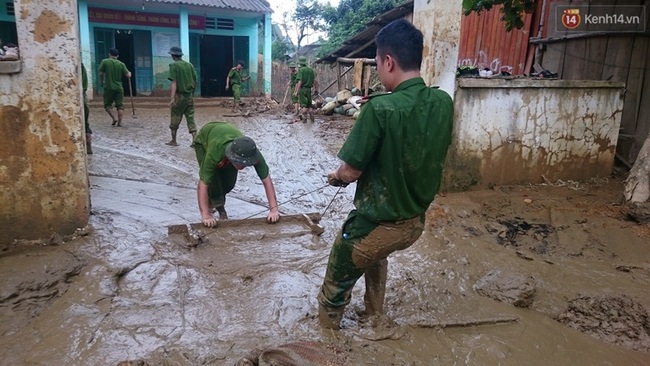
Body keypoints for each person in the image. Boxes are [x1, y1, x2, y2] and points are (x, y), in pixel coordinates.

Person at [317, 19, 454, 330]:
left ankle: (327, 340)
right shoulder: (443, 103)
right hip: (414, 224)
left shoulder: (379, 109)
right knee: (375, 256)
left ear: (388, 62)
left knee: (334, 285)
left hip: (376, 226)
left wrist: (336, 176)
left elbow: (351, 171)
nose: (378, 71)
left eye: (377, 64)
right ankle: (374, 315)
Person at [193, 122, 280, 227]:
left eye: (245, 163)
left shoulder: (253, 153)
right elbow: (203, 184)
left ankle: (217, 202)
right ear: (231, 156)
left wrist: (274, 209)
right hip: (204, 141)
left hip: (228, 138)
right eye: (239, 163)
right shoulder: (215, 153)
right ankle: (215, 207)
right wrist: (206, 216)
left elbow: (266, 180)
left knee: (229, 183)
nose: (242, 166)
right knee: (213, 180)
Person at [166, 46, 198, 147]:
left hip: (179, 96)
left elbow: (174, 82)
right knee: (190, 117)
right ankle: (194, 141)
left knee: (175, 116)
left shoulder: (173, 66)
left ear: (172, 55)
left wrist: (172, 98)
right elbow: (195, 81)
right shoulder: (190, 65)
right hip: (189, 96)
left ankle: (173, 140)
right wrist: (192, 93)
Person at [98, 48, 131, 127]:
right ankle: (120, 122)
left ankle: (114, 118)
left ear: (109, 54)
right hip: (119, 87)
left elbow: (100, 73)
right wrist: (130, 73)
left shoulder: (105, 62)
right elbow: (128, 75)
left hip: (108, 87)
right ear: (118, 55)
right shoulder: (121, 64)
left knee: (107, 105)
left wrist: (102, 82)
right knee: (120, 105)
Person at [292, 56, 318, 123]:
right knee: (309, 105)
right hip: (309, 89)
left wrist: (296, 91)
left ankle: (305, 119)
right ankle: (312, 121)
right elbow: (315, 81)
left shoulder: (301, 70)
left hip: (302, 89)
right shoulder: (310, 70)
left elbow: (300, 81)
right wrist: (316, 89)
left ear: (300, 63)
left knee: (303, 106)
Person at [81, 63, 92, 154]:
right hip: (84, 98)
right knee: (86, 125)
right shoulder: (81, 65)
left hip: (77, 99)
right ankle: (89, 147)